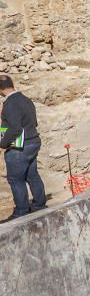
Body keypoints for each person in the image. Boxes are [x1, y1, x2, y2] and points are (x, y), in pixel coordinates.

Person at [0, 75, 46, 221]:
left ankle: (22, 211)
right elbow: (33, 122)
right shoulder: (26, 99)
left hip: (21, 146)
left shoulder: (10, 104)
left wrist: (2, 143)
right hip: (33, 141)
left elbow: (14, 129)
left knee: (15, 179)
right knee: (32, 175)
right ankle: (39, 205)